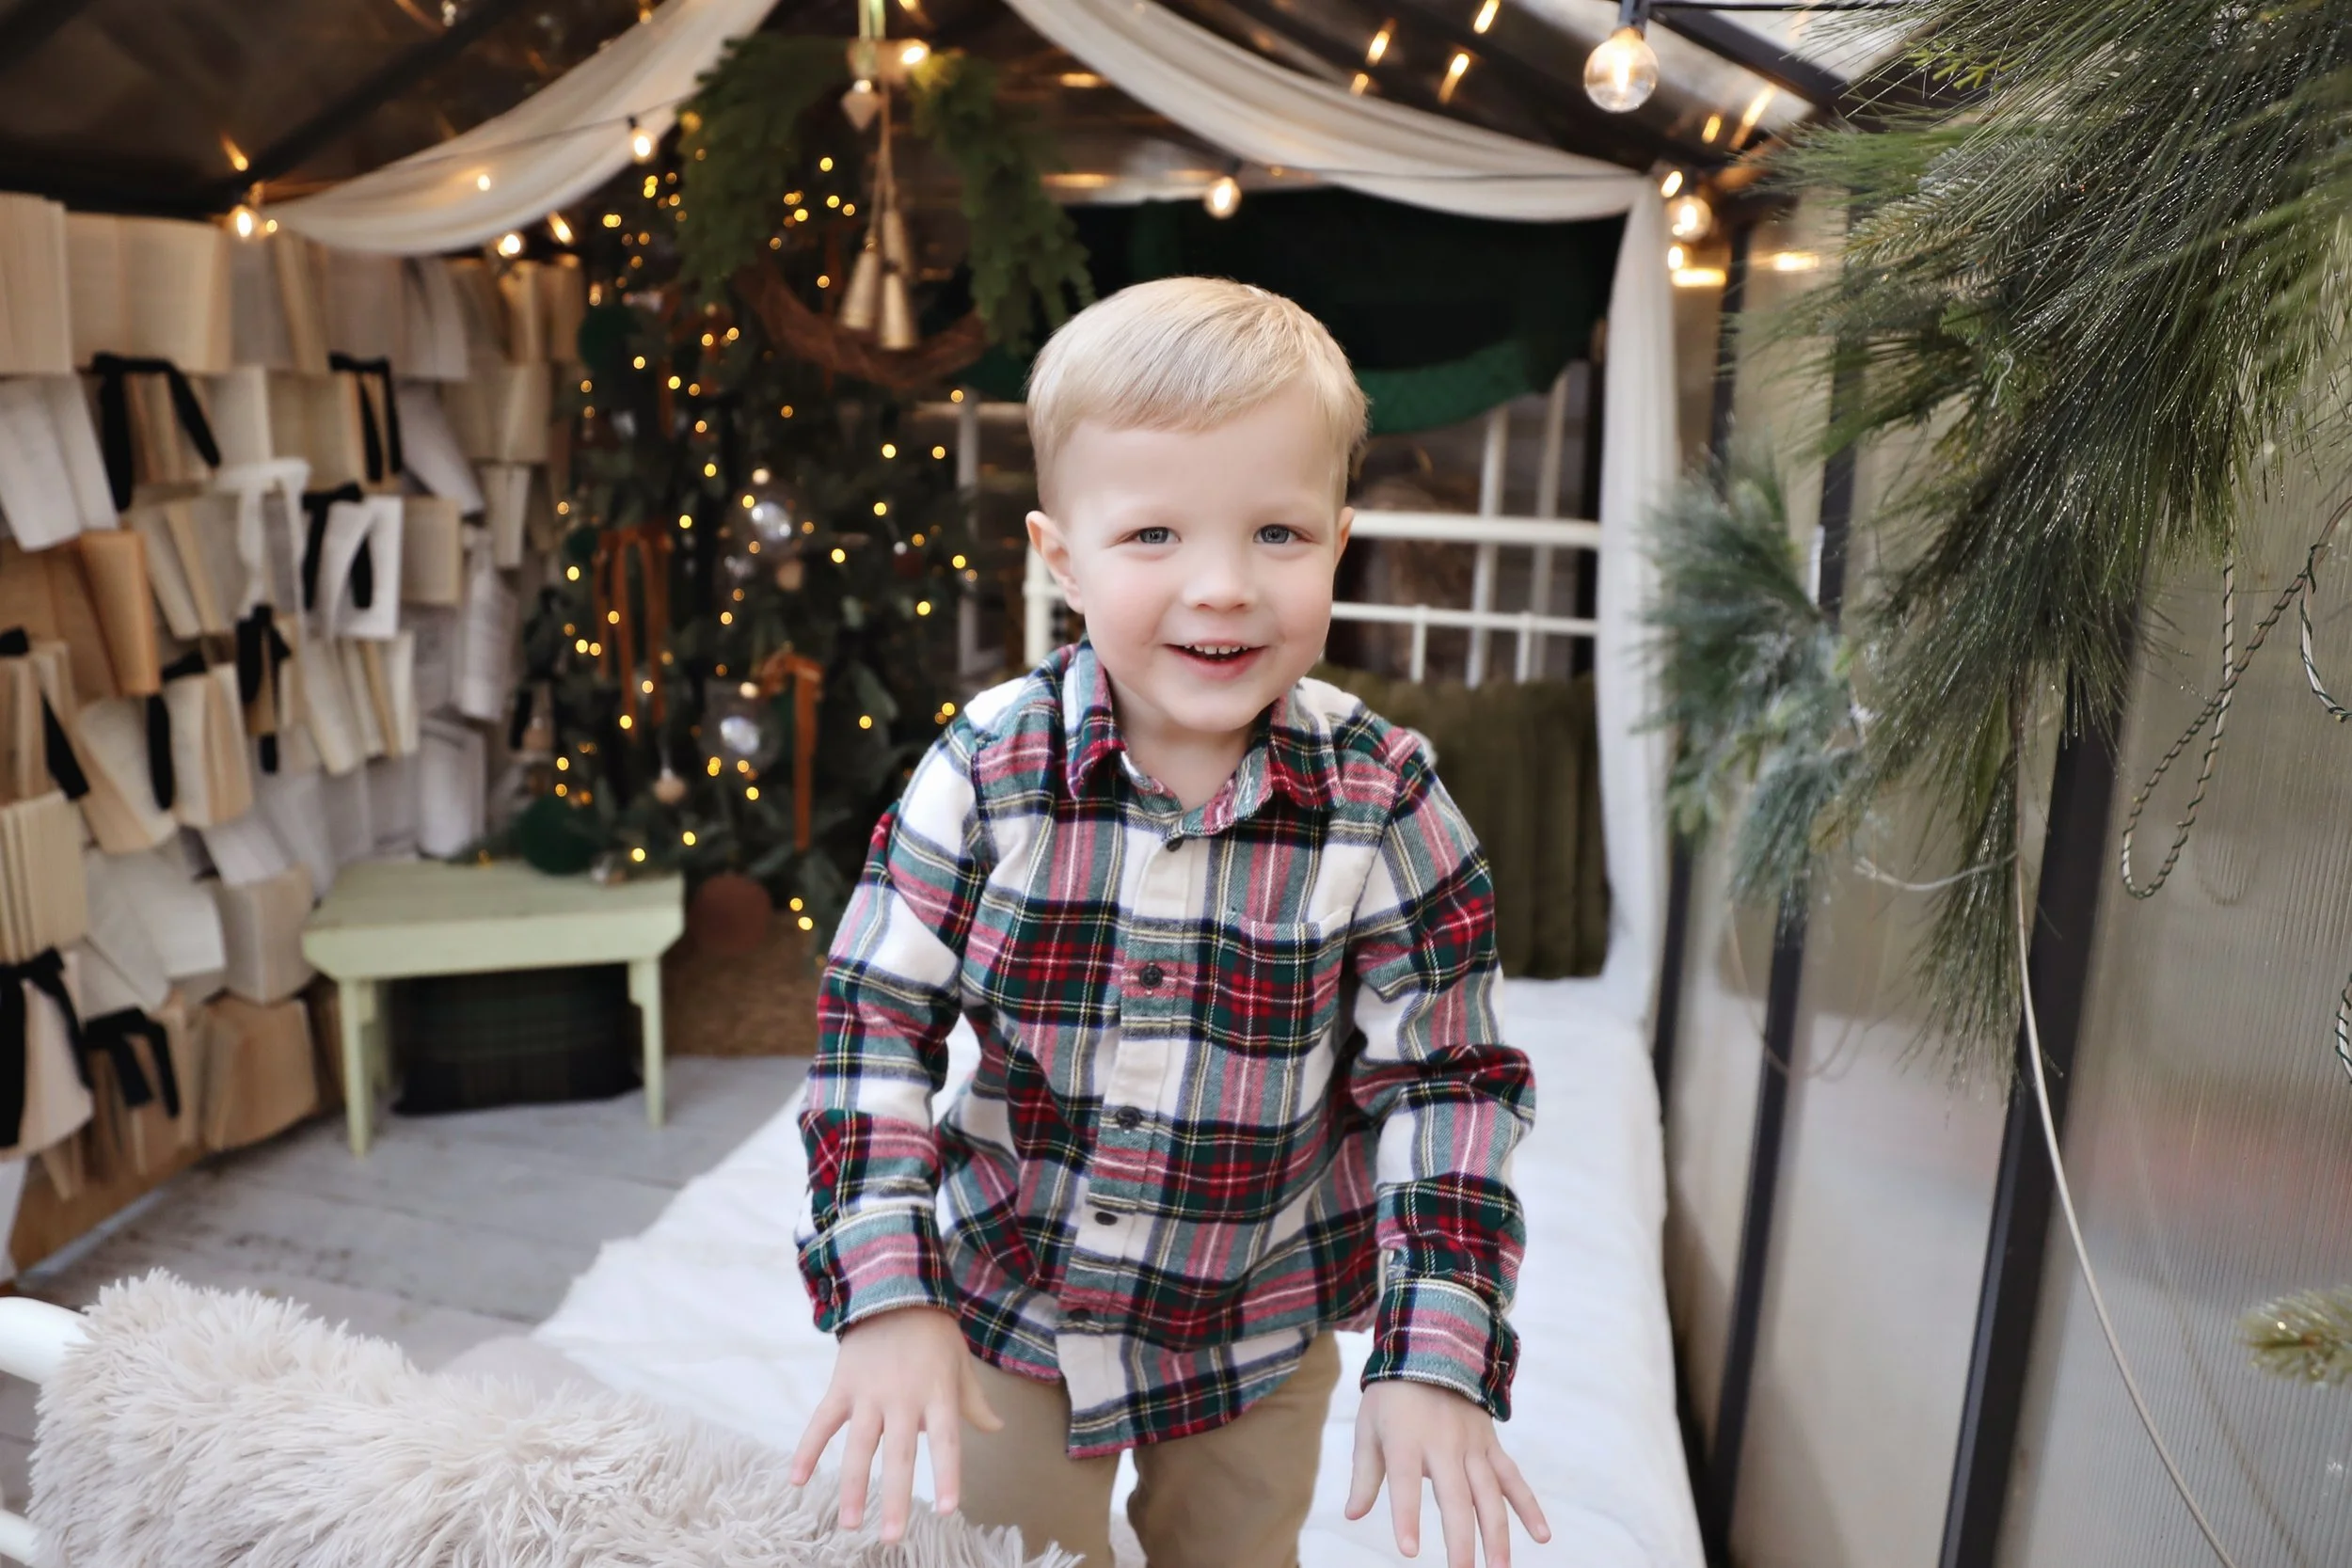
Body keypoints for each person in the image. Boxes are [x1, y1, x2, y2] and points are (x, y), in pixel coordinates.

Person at [789, 277, 1548, 1568]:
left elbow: (1449, 1084)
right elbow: (872, 1026)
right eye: (1152, 535)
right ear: (1061, 558)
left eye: (1276, 533)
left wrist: (1435, 1349)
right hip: (1011, 1302)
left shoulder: (1387, 802)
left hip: (1258, 1320)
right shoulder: (985, 770)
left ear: (1338, 543)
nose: (1222, 587)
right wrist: (889, 1296)